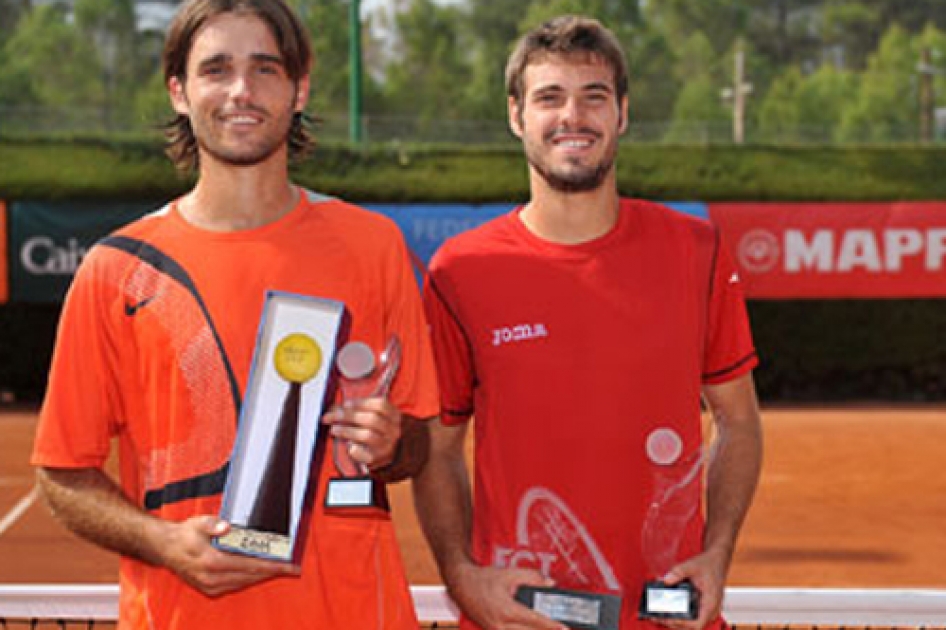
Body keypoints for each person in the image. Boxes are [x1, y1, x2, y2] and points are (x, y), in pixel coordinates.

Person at [31, 1, 437, 629]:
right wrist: (163, 542)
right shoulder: (115, 268)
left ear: (298, 89)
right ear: (180, 93)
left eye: (265, 69)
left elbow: (415, 445)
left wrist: (391, 443)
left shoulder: (373, 246)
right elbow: (62, 472)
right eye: (216, 69)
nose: (241, 91)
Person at [415, 15, 763, 630]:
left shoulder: (696, 250)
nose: (572, 117)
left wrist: (717, 554)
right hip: (522, 618)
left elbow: (738, 422)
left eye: (593, 97)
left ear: (622, 113)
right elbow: (438, 452)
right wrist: (462, 576)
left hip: (668, 617)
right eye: (550, 98)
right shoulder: (459, 271)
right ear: (516, 116)